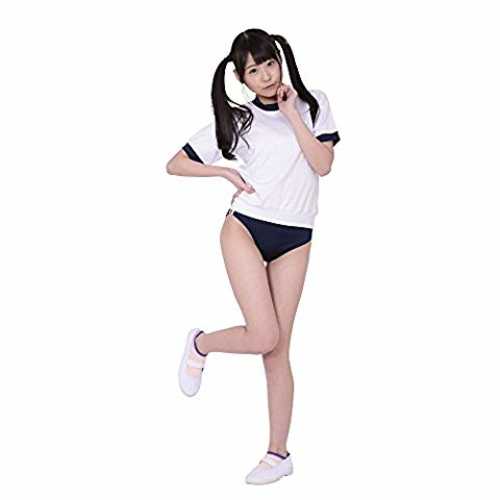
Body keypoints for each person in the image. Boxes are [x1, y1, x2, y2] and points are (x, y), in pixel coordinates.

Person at [166, 28, 341, 485]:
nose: (265, 75)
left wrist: (292, 114)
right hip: (245, 227)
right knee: (264, 334)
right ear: (241, 78)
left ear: (280, 61)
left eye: (269, 64)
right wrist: (223, 172)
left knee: (278, 348)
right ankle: (201, 344)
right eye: (253, 70)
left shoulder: (313, 104)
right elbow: (175, 163)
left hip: (296, 236)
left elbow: (322, 164)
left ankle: (278, 455)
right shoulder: (239, 119)